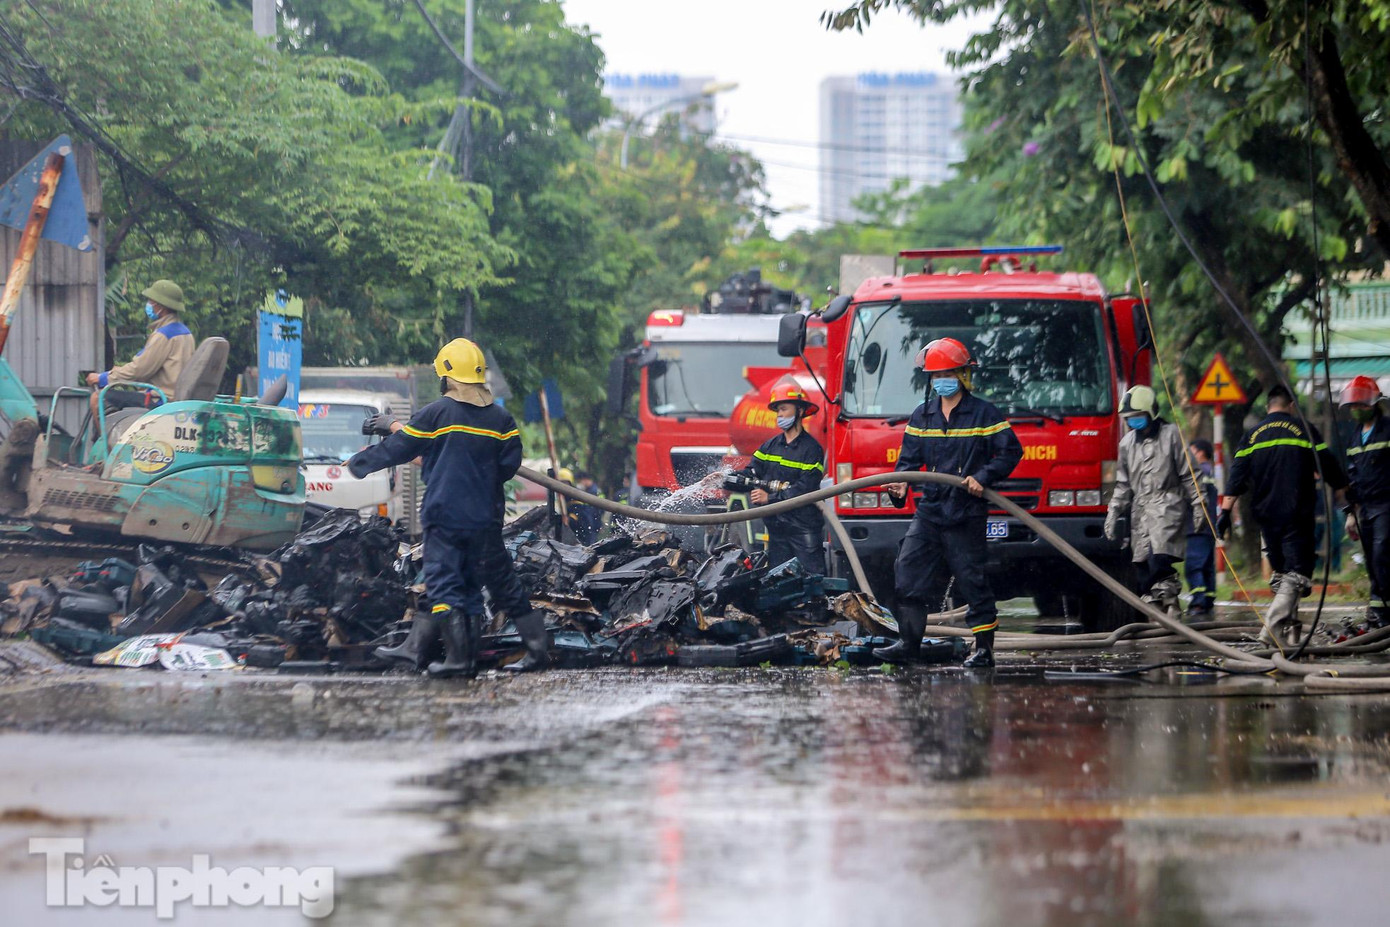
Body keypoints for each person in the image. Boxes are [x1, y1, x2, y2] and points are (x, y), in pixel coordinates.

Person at [351, 338, 549, 677]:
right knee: (496, 583)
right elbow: (508, 465)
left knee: (444, 585)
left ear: (447, 377)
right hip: (485, 519)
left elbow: (401, 447)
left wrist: (359, 464)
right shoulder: (501, 419)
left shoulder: (437, 413)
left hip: (446, 518)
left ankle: (458, 659)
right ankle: (536, 652)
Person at [875, 337, 1023, 668]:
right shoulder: (922, 415)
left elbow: (1011, 452)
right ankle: (909, 645)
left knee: (972, 581)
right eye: (936, 375)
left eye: (947, 374)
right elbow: (907, 463)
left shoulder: (984, 413)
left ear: (962, 375)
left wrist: (983, 476)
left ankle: (984, 650)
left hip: (966, 511)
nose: (941, 381)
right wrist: (899, 485)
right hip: (930, 511)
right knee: (907, 571)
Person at [1218, 384, 1348, 646]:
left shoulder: (1252, 434)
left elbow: (1237, 474)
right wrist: (1344, 491)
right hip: (1296, 513)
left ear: (1268, 406)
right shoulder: (1303, 429)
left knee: (1284, 573)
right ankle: (1270, 633)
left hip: (1266, 516)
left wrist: (1225, 512)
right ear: (1290, 406)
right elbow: (1328, 465)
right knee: (1297, 573)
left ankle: (1290, 635)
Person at [1104, 386, 1205, 620]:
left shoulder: (1172, 435)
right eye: (1130, 418)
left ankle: (1168, 601)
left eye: (1138, 416)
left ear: (1151, 413)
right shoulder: (1126, 444)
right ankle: (1159, 609)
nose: (1134, 422)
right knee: (1141, 565)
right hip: (1140, 512)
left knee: (1159, 557)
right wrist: (1113, 512)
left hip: (1168, 506)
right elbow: (1123, 485)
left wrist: (1199, 504)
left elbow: (1190, 474)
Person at [734, 377, 826, 573]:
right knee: (778, 580)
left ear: (799, 411)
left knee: (811, 579)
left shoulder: (811, 449)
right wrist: (726, 479)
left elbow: (806, 489)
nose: (780, 415)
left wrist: (769, 498)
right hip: (777, 528)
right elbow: (751, 471)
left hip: (803, 529)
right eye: (778, 411)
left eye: (784, 409)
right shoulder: (770, 446)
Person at [86, 280, 194, 417]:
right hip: (176, 398)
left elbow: (139, 370)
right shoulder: (185, 332)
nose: (149, 304)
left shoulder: (163, 335)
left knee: (98, 398)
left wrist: (103, 378)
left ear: (161, 306)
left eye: (151, 301)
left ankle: (105, 433)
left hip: (161, 400)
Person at [1340, 376, 1390, 630]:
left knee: (1382, 554)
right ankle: (1378, 611)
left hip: (1386, 504)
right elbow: (1352, 478)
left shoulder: (1387, 429)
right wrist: (1351, 513)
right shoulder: (1354, 438)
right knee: (1372, 559)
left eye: (1360, 404)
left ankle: (1384, 608)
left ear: (1373, 404)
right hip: (1366, 508)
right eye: (1353, 406)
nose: (1356, 410)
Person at [1184, 439, 1220, 617]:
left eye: (1191, 451)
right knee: (1206, 566)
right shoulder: (1209, 471)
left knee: (1194, 565)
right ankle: (1208, 599)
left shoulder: (1199, 472)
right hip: (1209, 527)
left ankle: (1198, 602)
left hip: (1197, 526)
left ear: (1200, 452)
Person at [569, 470, 605, 545]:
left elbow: (597, 511)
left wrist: (598, 524)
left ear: (585, 480)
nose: (579, 484)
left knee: (591, 545)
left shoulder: (593, 492)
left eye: (579, 481)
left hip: (592, 525)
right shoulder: (590, 490)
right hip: (590, 524)